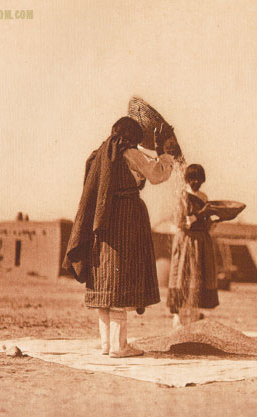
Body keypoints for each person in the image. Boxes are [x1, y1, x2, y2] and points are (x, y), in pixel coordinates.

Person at [63, 116, 176, 358]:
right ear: (133, 138)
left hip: (102, 222)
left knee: (105, 279)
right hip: (125, 219)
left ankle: (106, 344)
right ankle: (119, 346)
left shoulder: (100, 153)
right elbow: (156, 175)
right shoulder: (129, 153)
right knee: (120, 279)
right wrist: (164, 155)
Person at [166, 164, 219, 328]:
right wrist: (198, 216)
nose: (196, 182)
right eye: (192, 179)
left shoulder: (203, 197)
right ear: (187, 179)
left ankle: (194, 318)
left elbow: (207, 222)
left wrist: (214, 220)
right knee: (183, 275)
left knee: (199, 276)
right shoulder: (182, 196)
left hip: (201, 242)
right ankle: (178, 318)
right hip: (187, 241)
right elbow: (180, 221)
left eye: (199, 179)